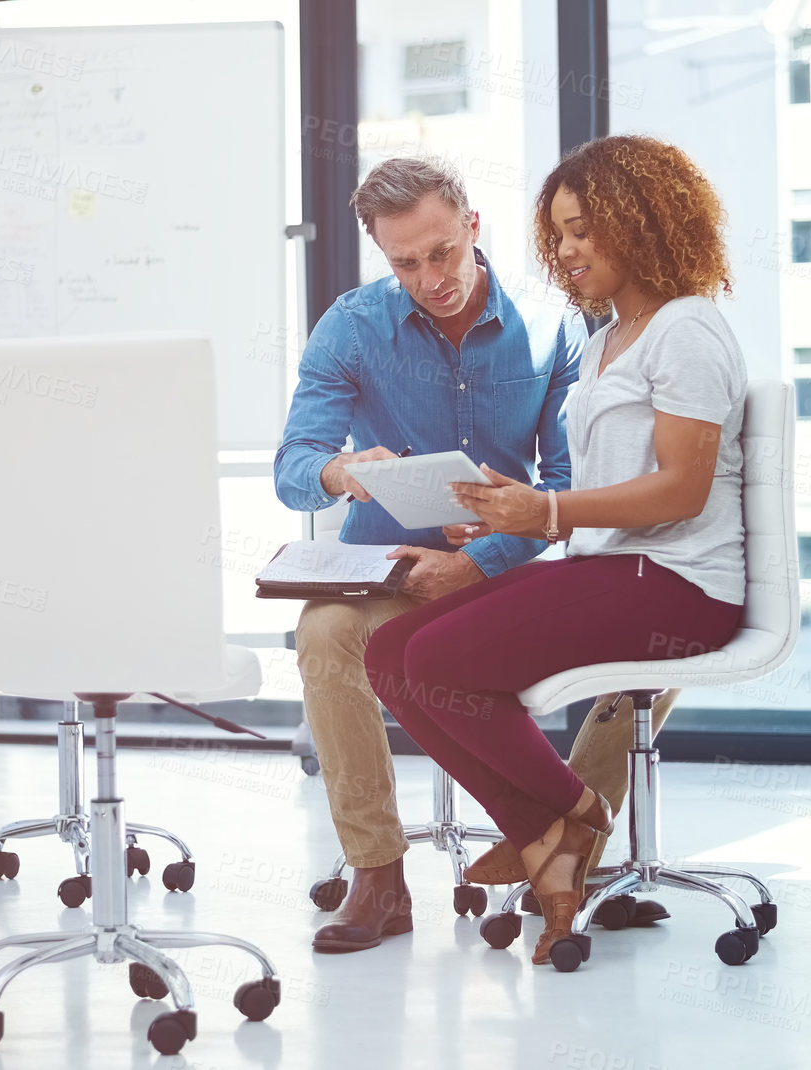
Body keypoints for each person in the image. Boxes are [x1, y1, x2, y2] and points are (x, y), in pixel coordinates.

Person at [272, 155, 678, 954]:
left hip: (508, 568)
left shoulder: (556, 324)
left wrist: (480, 559)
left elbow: (567, 482)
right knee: (323, 631)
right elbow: (294, 468)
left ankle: (566, 850)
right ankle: (378, 876)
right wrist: (340, 471)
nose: (431, 277)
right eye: (406, 264)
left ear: (472, 229)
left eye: (442, 253)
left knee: (657, 645)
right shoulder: (351, 326)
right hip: (390, 569)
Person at [363, 135, 748, 965]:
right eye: (560, 233)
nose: (565, 251)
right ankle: (551, 834)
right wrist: (508, 505)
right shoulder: (612, 334)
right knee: (392, 651)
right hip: (616, 566)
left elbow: (683, 488)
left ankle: (570, 820)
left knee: (436, 660)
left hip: (678, 585)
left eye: (585, 231)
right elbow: (598, 482)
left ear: (642, 224)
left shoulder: (685, 330)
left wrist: (543, 511)